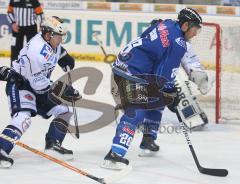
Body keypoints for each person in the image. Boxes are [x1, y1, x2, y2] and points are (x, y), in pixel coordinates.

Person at [101, 8, 203, 170]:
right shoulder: (178, 44)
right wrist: (170, 91)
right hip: (133, 72)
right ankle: (114, 155)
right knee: (137, 111)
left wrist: (166, 92)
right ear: (184, 25)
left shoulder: (167, 23)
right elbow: (163, 74)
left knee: (158, 100)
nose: (195, 34)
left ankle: (148, 140)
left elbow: (146, 33)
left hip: (127, 65)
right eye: (195, 29)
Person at [0, 16, 81, 168]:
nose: (62, 39)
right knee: (23, 117)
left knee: (64, 111)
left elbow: (56, 50)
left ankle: (53, 145)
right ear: (49, 34)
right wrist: (64, 90)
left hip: (38, 86)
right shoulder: (36, 52)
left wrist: (64, 57)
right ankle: (1, 148)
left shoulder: (49, 40)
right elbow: (39, 86)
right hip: (21, 85)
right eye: (60, 36)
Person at [138, 41, 209, 156]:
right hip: (147, 74)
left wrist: (197, 73)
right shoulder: (155, 38)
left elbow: (190, 60)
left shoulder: (179, 41)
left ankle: (148, 138)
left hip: (164, 77)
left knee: (158, 105)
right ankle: (119, 149)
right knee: (142, 108)